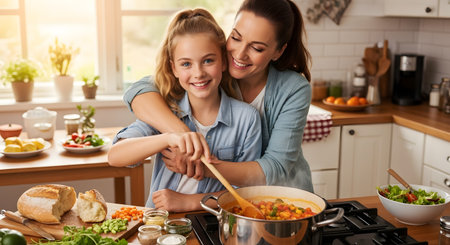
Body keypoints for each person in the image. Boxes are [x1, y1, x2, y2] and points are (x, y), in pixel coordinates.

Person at [123, 0, 314, 192]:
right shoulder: (211, 72)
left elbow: (276, 168)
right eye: (236, 37)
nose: (239, 54)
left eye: (257, 48)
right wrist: (182, 133)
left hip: (283, 198)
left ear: (278, 51)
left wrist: (200, 165)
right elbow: (139, 89)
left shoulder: (293, 88)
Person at [108, 8, 262, 212]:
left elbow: (247, 193)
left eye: (208, 60)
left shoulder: (247, 119)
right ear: (174, 68)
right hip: (161, 222)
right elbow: (115, 156)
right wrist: (169, 137)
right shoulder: (166, 110)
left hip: (213, 224)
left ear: (224, 61)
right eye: (186, 64)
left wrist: (190, 201)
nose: (198, 73)